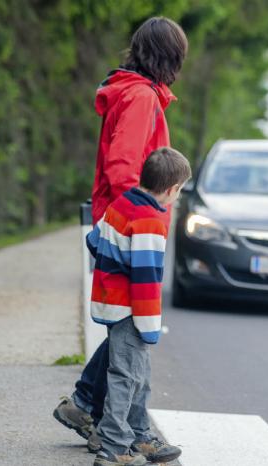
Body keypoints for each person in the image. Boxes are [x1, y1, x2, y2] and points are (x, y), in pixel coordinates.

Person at [52, 16, 187, 460]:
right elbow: (123, 168)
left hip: (119, 222)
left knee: (124, 330)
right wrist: (143, 215)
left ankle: (85, 406)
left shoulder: (131, 92)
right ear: (169, 57)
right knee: (132, 332)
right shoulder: (141, 97)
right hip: (130, 228)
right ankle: (130, 434)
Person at [89, 147, 191, 466]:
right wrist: (149, 327)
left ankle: (138, 434)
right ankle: (114, 445)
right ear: (172, 189)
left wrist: (114, 259)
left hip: (110, 300)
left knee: (138, 373)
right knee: (125, 375)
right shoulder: (149, 221)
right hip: (130, 310)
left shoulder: (123, 203)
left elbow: (94, 239)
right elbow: (146, 281)